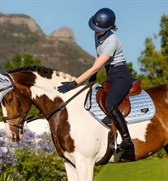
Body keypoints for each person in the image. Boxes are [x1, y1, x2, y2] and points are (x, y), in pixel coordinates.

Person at [57, 7, 133, 152]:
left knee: (110, 104)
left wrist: (75, 83)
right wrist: (93, 76)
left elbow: (96, 67)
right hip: (110, 74)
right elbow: (98, 57)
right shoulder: (97, 35)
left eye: (99, 28)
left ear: (109, 27)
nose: (96, 31)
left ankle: (127, 140)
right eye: (95, 28)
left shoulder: (112, 41)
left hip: (121, 75)